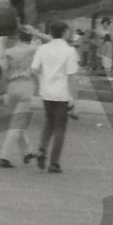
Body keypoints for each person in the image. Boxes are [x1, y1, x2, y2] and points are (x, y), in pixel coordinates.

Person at [29, 20, 80, 173]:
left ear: (51, 33)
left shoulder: (42, 49)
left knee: (48, 122)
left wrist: (42, 80)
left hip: (47, 92)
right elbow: (71, 77)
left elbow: (34, 70)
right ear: (64, 32)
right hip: (62, 93)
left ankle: (42, 149)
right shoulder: (70, 51)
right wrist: (75, 99)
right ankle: (54, 162)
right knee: (60, 127)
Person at [0, 26, 44, 168]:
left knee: (17, 120)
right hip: (26, 87)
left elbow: (3, 72)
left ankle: (27, 151)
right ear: (30, 38)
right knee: (17, 124)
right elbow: (37, 71)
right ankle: (4, 156)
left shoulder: (9, 52)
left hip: (11, 88)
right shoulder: (34, 51)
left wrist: (1, 92)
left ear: (18, 37)